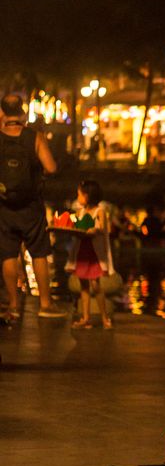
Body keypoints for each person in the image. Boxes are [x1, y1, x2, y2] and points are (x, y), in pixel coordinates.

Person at [0, 93, 65, 321]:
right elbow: (51, 167)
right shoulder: (33, 137)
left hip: (4, 208)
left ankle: (14, 306)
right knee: (38, 252)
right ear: (22, 112)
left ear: (2, 113)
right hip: (31, 207)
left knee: (8, 255)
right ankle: (45, 304)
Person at [66, 179, 114, 329]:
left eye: (79, 194)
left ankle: (105, 318)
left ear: (87, 196)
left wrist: (96, 229)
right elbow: (78, 227)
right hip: (82, 252)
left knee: (96, 285)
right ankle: (85, 317)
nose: (77, 197)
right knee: (83, 285)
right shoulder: (81, 212)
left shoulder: (99, 211)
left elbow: (104, 228)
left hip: (94, 255)